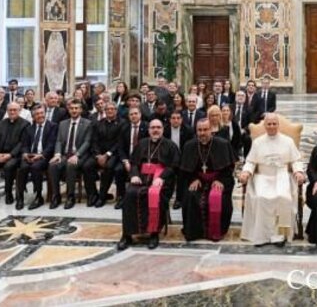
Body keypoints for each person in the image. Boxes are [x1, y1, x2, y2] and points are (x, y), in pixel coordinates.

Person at [239, 113, 306, 247]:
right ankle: (262, 236)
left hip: (282, 176)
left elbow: (296, 160)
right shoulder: (258, 142)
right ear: (265, 125)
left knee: (283, 197)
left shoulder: (288, 141)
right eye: (269, 124)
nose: (271, 126)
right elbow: (251, 161)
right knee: (261, 198)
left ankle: (280, 235)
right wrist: (246, 172)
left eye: (274, 123)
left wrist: (298, 172)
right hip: (262, 176)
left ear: (278, 125)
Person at [117, 119, 179, 251]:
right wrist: (134, 174)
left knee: (155, 195)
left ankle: (153, 233)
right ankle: (127, 235)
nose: (155, 130)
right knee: (129, 195)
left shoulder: (171, 145)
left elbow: (173, 166)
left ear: (163, 129)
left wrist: (162, 177)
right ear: (149, 130)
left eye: (158, 127)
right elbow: (134, 163)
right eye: (153, 128)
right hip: (141, 178)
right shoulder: (142, 144)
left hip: (161, 181)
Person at [180, 118, 236, 242]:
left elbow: (230, 167)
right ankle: (194, 232)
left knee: (219, 197)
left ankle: (216, 231)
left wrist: (221, 180)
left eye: (205, 129)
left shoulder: (223, 144)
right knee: (191, 196)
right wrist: (193, 179)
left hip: (219, 179)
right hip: (198, 180)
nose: (202, 133)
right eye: (199, 130)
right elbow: (185, 170)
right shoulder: (189, 146)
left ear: (211, 130)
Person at [48, 99, 93, 210]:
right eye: (72, 108)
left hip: (80, 155)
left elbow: (87, 142)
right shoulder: (63, 124)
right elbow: (58, 140)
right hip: (64, 154)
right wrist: (57, 154)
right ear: (68, 110)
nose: (74, 110)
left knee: (71, 165)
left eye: (76, 108)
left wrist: (77, 155)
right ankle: (56, 196)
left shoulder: (87, 124)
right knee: (53, 165)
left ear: (81, 110)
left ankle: (70, 196)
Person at [0, 102, 28, 205]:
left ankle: (8, 193)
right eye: (10, 110)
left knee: (9, 166)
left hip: (15, 156)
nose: (12, 112)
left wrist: (10, 155)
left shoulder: (25, 124)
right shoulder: (0, 123)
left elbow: (22, 143)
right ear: (7, 111)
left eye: (14, 110)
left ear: (19, 111)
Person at [16, 105, 58, 210]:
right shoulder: (29, 128)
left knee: (35, 167)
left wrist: (42, 155)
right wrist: (25, 153)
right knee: (22, 168)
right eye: (37, 114)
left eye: (41, 113)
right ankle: (20, 196)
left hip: (44, 156)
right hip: (30, 155)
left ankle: (38, 196)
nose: (40, 116)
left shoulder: (52, 126)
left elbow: (51, 144)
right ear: (33, 117)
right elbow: (24, 144)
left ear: (45, 114)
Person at [84, 101, 124, 208]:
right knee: (87, 166)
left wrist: (107, 155)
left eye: (112, 109)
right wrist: (98, 155)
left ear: (116, 110)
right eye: (107, 109)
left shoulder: (122, 123)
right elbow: (94, 141)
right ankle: (92, 195)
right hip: (98, 154)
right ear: (104, 111)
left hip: (114, 153)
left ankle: (102, 196)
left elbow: (119, 142)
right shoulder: (98, 123)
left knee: (109, 166)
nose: (110, 111)